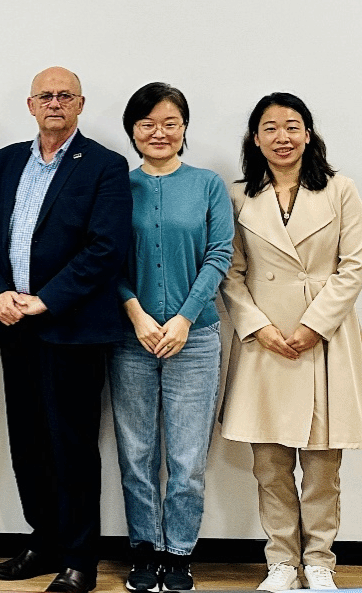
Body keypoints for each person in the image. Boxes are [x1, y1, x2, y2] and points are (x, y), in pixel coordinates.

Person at [219, 93, 362, 593]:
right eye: (270, 128)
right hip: (264, 341)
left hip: (325, 340)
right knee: (269, 464)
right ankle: (281, 562)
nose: (282, 137)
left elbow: (354, 265)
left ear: (308, 135)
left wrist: (315, 325)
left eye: (292, 127)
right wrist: (258, 327)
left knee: (321, 466)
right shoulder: (239, 196)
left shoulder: (340, 190)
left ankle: (319, 561)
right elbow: (230, 271)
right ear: (255, 138)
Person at [0, 67, 131, 593]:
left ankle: (79, 559)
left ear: (81, 104)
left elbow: (106, 248)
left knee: (72, 447)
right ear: (31, 104)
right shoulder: (5, 161)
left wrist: (46, 300)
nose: (55, 103)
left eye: (66, 95)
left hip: (72, 331)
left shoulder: (106, 165)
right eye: (46, 95)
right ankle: (43, 542)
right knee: (28, 444)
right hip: (14, 327)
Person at [110, 83, 233, 593]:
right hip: (131, 339)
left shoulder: (207, 184)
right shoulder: (118, 186)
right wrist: (137, 314)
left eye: (170, 123)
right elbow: (106, 257)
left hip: (195, 340)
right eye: (147, 124)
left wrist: (184, 318)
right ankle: (144, 548)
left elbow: (220, 254)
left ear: (184, 128)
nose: (159, 133)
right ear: (132, 131)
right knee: (135, 453)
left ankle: (179, 553)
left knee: (187, 458)